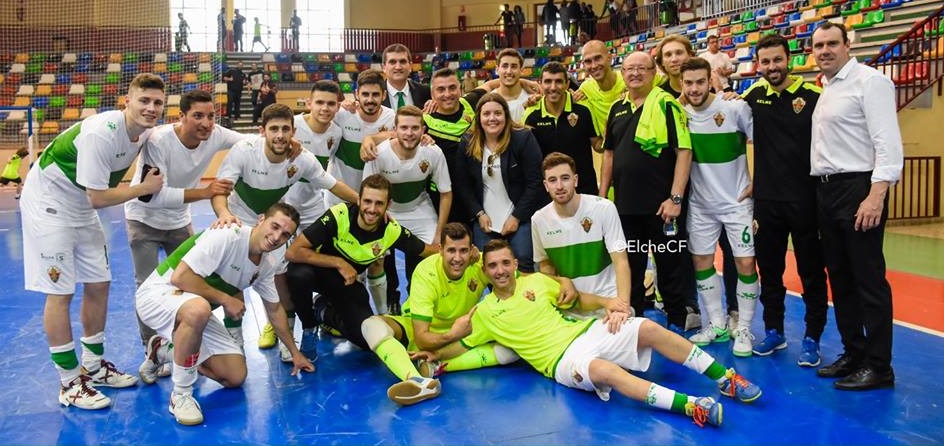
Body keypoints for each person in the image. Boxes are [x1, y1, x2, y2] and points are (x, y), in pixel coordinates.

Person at [419, 239, 763, 428]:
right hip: (562, 360)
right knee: (604, 371)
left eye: (505, 263)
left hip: (587, 331)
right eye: (492, 266)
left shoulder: (537, 281)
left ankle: (726, 378)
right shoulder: (486, 312)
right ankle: (691, 407)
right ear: (485, 270)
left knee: (648, 327)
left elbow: (576, 299)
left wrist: (610, 303)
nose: (500, 270)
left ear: (514, 264)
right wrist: (436, 353)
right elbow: (460, 343)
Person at [20, 73, 165, 410]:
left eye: (158, 102)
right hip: (49, 203)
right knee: (61, 292)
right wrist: (143, 188)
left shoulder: (145, 134)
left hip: (81, 205)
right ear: (126, 101)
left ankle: (94, 366)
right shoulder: (103, 132)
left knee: (99, 284)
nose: (151, 107)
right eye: (144, 100)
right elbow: (99, 198)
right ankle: (70, 382)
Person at [135, 203, 315, 425]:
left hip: (193, 306)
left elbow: (275, 309)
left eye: (285, 234)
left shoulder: (270, 259)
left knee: (235, 376)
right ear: (261, 219)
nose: (277, 237)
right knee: (199, 309)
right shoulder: (229, 235)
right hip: (158, 294)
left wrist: (294, 352)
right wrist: (226, 299)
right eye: (274, 226)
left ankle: (162, 351)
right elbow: (180, 278)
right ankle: (181, 394)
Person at [212, 103, 357, 351]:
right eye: (274, 129)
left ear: (293, 132)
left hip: (271, 223)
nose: (280, 135)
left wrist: (362, 202)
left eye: (285, 129)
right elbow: (220, 190)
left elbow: (332, 185)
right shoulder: (243, 150)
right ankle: (234, 337)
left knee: (278, 278)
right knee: (233, 277)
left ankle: (284, 334)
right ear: (262, 131)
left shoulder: (301, 159)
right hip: (239, 217)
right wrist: (225, 214)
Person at [810, 22, 903, 390]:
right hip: (827, 190)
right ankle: (855, 352)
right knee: (841, 278)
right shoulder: (828, 87)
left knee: (868, 280)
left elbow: (888, 144)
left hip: (858, 187)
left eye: (832, 43)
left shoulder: (870, 81)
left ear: (847, 45)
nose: (825, 50)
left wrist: (876, 194)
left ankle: (880, 366)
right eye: (818, 45)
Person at [124, 89, 246, 361]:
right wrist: (206, 192)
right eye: (198, 116)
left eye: (211, 116)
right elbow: (151, 195)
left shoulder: (215, 134)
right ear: (181, 117)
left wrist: (286, 141)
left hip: (179, 221)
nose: (206, 123)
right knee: (146, 286)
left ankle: (188, 337)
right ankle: (153, 347)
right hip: (143, 218)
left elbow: (252, 142)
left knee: (194, 280)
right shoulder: (158, 141)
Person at [741, 34, 828, 366]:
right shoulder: (753, 96)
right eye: (765, 62)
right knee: (770, 271)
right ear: (758, 64)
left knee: (811, 273)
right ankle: (774, 330)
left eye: (777, 60)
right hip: (766, 202)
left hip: (806, 201)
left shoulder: (814, 96)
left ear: (789, 59)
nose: (772, 67)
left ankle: (811, 337)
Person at [285, 174, 439, 358]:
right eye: (367, 201)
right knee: (297, 275)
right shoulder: (338, 216)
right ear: (358, 199)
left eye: (379, 203)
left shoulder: (392, 231)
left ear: (388, 205)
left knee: (368, 341)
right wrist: (338, 262)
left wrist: (468, 254)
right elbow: (293, 252)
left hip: (346, 285)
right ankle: (309, 326)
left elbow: (427, 250)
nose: (372, 209)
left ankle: (323, 311)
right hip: (316, 274)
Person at [364, 223, 520, 405]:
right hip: (425, 330)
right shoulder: (426, 273)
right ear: (440, 250)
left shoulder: (481, 264)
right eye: (451, 251)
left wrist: (559, 283)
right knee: (371, 326)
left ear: (472, 251)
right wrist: (453, 334)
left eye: (463, 251)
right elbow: (421, 338)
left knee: (514, 347)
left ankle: (435, 365)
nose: (457, 258)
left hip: (465, 328)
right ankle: (417, 380)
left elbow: (517, 280)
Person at [601, 52, 699, 333]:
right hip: (626, 209)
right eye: (629, 69)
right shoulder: (616, 108)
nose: (635, 74)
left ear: (653, 72)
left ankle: (677, 323)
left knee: (670, 268)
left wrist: (676, 198)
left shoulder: (668, 105)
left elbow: (684, 151)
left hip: (663, 208)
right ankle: (631, 327)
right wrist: (601, 195)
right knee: (629, 270)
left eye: (642, 68)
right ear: (622, 72)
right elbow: (608, 155)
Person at [679, 57, 758, 357]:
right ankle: (715, 324)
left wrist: (758, 181)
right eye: (689, 83)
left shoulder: (734, 107)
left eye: (700, 81)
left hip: (737, 202)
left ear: (711, 79)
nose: (695, 88)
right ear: (683, 84)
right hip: (701, 204)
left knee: (745, 264)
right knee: (701, 262)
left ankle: (745, 327)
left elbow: (761, 141)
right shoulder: (679, 112)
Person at [363, 105, 452, 296]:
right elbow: (368, 196)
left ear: (423, 130)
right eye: (404, 128)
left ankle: (417, 299)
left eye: (415, 128)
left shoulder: (433, 152)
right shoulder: (378, 153)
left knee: (434, 255)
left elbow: (446, 193)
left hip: (420, 210)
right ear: (395, 130)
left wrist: (439, 232)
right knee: (376, 259)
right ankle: (387, 306)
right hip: (387, 214)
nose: (409, 133)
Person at [532, 152, 630, 321]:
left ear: (575, 180)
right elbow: (545, 265)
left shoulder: (604, 208)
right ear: (546, 185)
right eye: (553, 180)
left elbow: (621, 262)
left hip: (608, 304)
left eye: (565, 178)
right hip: (569, 309)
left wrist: (622, 306)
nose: (559, 186)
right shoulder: (538, 220)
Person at [455, 93, 544, 272]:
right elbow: (462, 184)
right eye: (486, 114)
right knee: (487, 265)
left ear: (506, 115)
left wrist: (517, 216)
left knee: (523, 259)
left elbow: (535, 182)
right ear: (479, 117)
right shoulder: (467, 142)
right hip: (485, 220)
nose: (492, 118)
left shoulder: (523, 138)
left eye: (497, 113)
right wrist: (479, 213)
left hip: (520, 215)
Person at [523, 62, 600, 196]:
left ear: (567, 84)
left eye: (558, 81)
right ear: (540, 83)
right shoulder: (530, 114)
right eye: (547, 82)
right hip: (548, 193)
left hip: (584, 191)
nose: (553, 87)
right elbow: (523, 154)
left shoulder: (584, 109)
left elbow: (598, 145)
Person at [329, 69, 395, 209]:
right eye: (365, 94)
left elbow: (403, 135)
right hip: (338, 197)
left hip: (373, 201)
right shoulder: (342, 114)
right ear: (356, 94)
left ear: (384, 95)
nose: (370, 100)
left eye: (375, 94)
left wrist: (372, 138)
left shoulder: (392, 117)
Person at [573, 40, 626, 196]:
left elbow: (665, 79)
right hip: (609, 158)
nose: (593, 65)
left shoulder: (630, 80)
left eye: (598, 58)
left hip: (638, 156)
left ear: (609, 58)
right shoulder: (585, 89)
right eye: (588, 61)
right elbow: (597, 146)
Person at [381, 44, 431, 110]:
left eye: (403, 62)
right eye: (392, 62)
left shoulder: (425, 92)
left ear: (410, 66)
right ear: (383, 67)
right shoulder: (375, 94)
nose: (398, 67)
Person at [654, 34, 696, 98]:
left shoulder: (709, 87)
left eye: (679, 53)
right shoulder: (657, 96)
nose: (674, 59)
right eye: (668, 55)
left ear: (690, 55)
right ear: (662, 62)